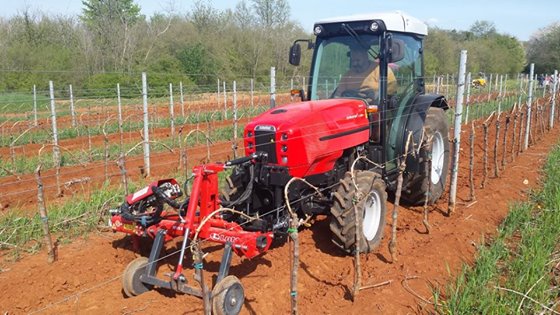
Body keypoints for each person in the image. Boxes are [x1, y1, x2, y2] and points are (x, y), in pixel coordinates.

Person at [333, 46, 397, 100]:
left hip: (376, 111)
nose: (355, 64)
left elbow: (391, 91)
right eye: (353, 61)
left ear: (365, 56)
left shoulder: (381, 70)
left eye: (358, 60)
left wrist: (376, 94)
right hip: (353, 109)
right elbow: (338, 95)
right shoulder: (348, 75)